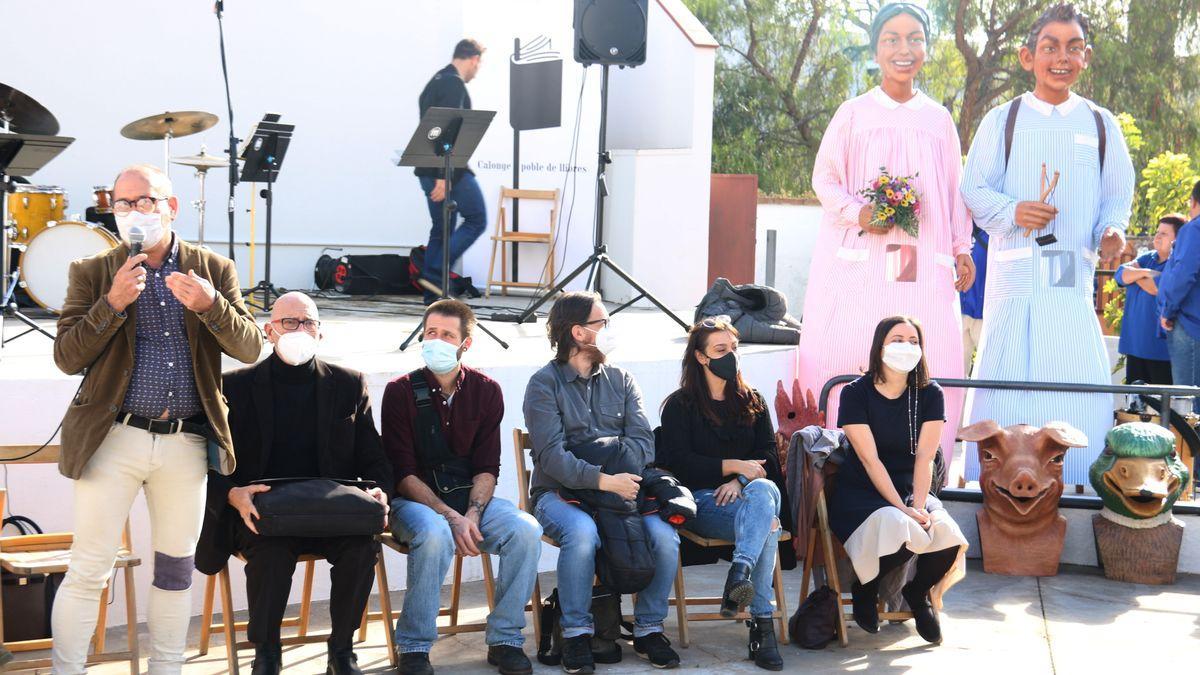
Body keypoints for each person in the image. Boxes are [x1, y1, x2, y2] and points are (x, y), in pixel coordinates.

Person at [50, 164, 262, 674]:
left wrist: (213, 307)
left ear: (171, 206)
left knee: (175, 569)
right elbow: (66, 356)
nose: (131, 213)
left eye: (143, 201)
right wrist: (112, 304)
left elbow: (251, 347)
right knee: (89, 569)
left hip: (184, 443)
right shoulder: (93, 271)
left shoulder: (214, 268)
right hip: (113, 437)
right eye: (121, 205)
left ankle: (167, 668)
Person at [961, 3, 1135, 483]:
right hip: (1012, 275)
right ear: (1026, 56)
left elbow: (1117, 197)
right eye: (1050, 47)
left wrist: (1111, 232)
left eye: (1073, 48)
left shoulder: (1101, 125)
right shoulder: (1004, 120)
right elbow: (973, 189)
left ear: (1086, 57)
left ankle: (1078, 481)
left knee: (1075, 377)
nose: (1062, 58)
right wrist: (1013, 211)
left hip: (1069, 274)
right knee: (1004, 376)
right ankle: (988, 486)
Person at [798, 2, 975, 473]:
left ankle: (923, 474)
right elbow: (824, 178)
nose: (904, 48)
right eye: (892, 38)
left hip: (922, 265)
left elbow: (955, 190)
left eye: (914, 38)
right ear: (876, 48)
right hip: (860, 262)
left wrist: (961, 248)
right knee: (851, 349)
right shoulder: (853, 113)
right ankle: (837, 465)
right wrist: (860, 212)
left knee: (924, 353)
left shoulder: (939, 120)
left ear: (926, 48)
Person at [194, 292, 393, 675]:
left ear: (320, 333)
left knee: (361, 547)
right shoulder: (234, 386)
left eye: (308, 322)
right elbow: (206, 462)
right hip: (260, 513)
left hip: (331, 512)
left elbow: (375, 458)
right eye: (289, 322)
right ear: (269, 330)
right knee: (271, 553)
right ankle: (266, 653)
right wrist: (232, 495)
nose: (298, 330)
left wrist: (380, 491)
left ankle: (341, 651)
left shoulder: (349, 384)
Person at [523, 291, 681, 673]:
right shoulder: (543, 385)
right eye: (603, 323)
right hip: (559, 494)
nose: (609, 330)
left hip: (625, 491)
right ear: (579, 332)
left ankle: (648, 629)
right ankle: (576, 633)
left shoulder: (622, 379)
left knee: (664, 537)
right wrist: (602, 479)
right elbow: (552, 457)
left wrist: (615, 477)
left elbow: (644, 442)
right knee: (581, 535)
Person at [382, 300, 542, 675]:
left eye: (447, 335)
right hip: (415, 501)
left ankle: (505, 639)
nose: (435, 340)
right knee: (436, 534)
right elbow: (402, 471)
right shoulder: (400, 391)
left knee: (526, 530)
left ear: (465, 344)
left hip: (471, 499)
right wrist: (451, 516)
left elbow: (488, 466)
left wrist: (472, 512)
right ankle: (414, 647)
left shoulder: (487, 390)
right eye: (430, 333)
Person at [830, 316, 967, 645]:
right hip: (862, 490)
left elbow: (925, 458)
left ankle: (917, 593)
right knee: (904, 526)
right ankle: (867, 586)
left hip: (912, 485)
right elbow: (869, 459)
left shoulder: (930, 393)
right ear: (880, 345)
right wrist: (902, 510)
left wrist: (917, 506)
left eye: (913, 340)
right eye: (897, 339)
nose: (906, 347)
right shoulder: (855, 393)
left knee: (947, 533)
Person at [658, 317, 784, 671]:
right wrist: (734, 466)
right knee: (768, 521)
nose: (731, 356)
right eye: (720, 350)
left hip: (747, 499)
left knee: (764, 496)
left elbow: (770, 458)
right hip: (702, 502)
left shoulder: (753, 401)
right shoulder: (680, 406)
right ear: (700, 357)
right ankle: (762, 625)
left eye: (734, 348)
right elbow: (681, 464)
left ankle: (739, 573)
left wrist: (740, 481)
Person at [413, 38, 488, 304]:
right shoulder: (453, 84)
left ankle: (432, 295)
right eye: (478, 65)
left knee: (441, 228)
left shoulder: (435, 80)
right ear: (473, 59)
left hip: (428, 167)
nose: (476, 72)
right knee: (477, 218)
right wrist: (442, 177)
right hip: (445, 169)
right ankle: (435, 276)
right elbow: (448, 129)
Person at [1117, 215, 1184, 384]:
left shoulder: (1178, 263)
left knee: (1161, 406)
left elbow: (1157, 289)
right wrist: (1147, 273)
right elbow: (1121, 275)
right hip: (1134, 346)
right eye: (1157, 232)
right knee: (1134, 406)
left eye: (1164, 234)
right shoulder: (1148, 258)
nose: (1157, 237)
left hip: (1160, 352)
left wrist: (1136, 275)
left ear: (1178, 239)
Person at [1159, 180, 1200, 410]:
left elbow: (1184, 273)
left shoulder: (1194, 228)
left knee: (1188, 406)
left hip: (1190, 325)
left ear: (1193, 202)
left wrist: (1168, 309)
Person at [960, 226, 989, 376]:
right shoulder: (957, 231)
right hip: (959, 312)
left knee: (987, 370)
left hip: (984, 314)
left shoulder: (994, 231)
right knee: (956, 372)